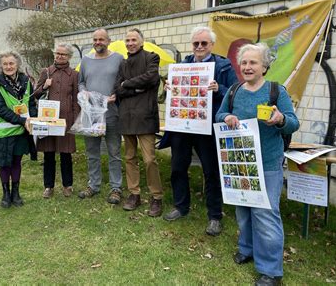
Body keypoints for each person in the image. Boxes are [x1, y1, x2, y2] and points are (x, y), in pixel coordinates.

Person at [216, 43, 299, 286]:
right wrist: (227, 117)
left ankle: (271, 270)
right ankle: (247, 249)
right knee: (243, 210)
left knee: (265, 215)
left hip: (268, 162)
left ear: (264, 66)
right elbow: (219, 115)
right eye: (244, 63)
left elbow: (293, 123)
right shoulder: (233, 91)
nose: (247, 67)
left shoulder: (276, 91)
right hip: (239, 161)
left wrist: (281, 119)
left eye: (253, 62)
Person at [163, 26, 238, 236]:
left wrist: (219, 89)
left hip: (209, 127)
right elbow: (174, 96)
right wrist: (170, 87)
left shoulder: (223, 66)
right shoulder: (183, 65)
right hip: (183, 127)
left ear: (212, 45)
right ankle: (180, 206)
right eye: (196, 43)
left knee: (211, 171)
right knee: (178, 167)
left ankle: (215, 216)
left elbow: (235, 93)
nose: (199, 47)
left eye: (204, 43)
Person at [114, 28, 163, 217]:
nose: (130, 43)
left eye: (134, 40)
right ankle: (134, 194)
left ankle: (156, 197)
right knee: (129, 158)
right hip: (126, 116)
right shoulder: (123, 63)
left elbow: (152, 78)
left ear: (141, 42)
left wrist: (127, 84)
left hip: (145, 116)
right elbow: (118, 89)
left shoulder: (152, 57)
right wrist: (133, 88)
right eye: (127, 40)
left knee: (149, 159)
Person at [77, 29, 124, 204]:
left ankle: (115, 188)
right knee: (92, 152)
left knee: (114, 152)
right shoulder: (86, 60)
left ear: (108, 41)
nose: (98, 42)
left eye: (101, 39)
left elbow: (124, 81)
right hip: (91, 113)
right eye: (95, 39)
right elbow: (80, 82)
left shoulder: (118, 59)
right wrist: (84, 92)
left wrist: (117, 95)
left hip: (111, 113)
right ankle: (93, 185)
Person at [0, 50, 37, 208]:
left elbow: (30, 104)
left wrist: (36, 120)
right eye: (5, 64)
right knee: (5, 164)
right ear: (1, 66)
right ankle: (5, 194)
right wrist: (23, 121)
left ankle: (16, 193)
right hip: (3, 133)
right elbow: (1, 109)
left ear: (17, 65)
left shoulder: (26, 81)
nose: (8, 66)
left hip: (21, 132)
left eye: (11, 63)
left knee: (17, 162)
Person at [33, 44, 80, 198]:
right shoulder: (45, 72)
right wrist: (45, 86)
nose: (60, 56)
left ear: (69, 57)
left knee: (66, 153)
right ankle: (48, 186)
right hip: (48, 118)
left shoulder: (74, 74)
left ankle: (67, 185)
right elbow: (36, 95)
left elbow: (76, 99)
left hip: (66, 119)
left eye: (63, 54)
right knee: (49, 153)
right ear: (54, 54)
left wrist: (74, 118)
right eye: (58, 53)